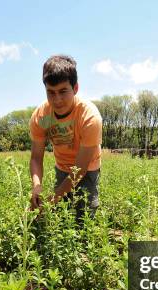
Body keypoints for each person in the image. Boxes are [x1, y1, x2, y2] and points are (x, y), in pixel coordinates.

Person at [29, 55, 102, 221]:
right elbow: (36, 157)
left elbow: (80, 169)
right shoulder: (41, 116)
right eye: (51, 92)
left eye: (63, 91)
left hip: (88, 168)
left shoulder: (90, 117)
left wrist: (52, 199)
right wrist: (37, 187)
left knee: (84, 218)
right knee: (61, 215)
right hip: (62, 167)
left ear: (75, 88)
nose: (57, 100)